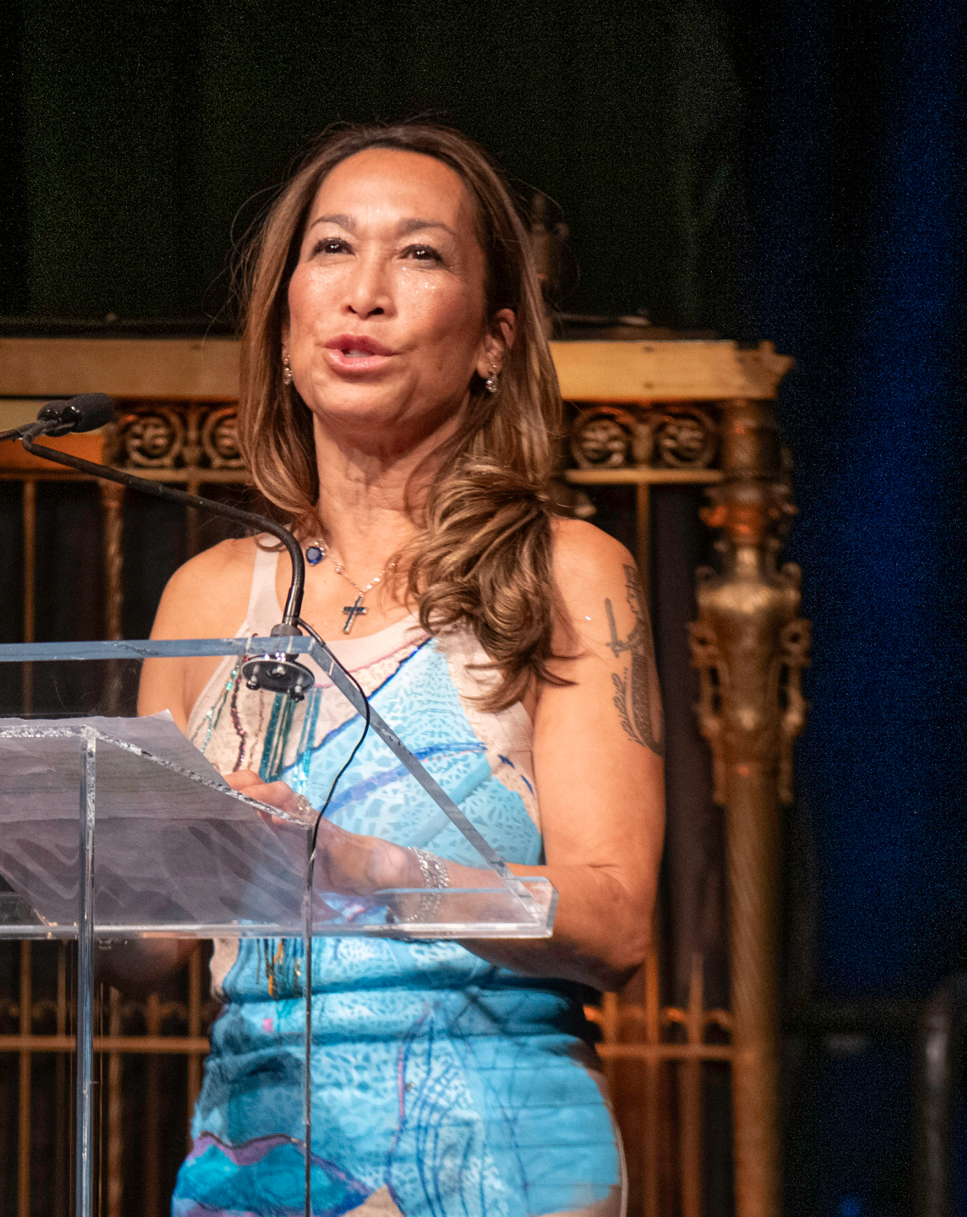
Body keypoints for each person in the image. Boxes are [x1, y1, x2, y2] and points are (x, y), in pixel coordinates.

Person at [125, 125, 664, 1216]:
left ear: (493, 342)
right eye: (330, 250)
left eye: (417, 255)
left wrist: (364, 866)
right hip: (253, 1157)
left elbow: (615, 923)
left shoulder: (565, 571)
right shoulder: (205, 596)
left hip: (496, 1158)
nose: (363, 293)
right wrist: (56, 855)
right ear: (283, 330)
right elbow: (150, 950)